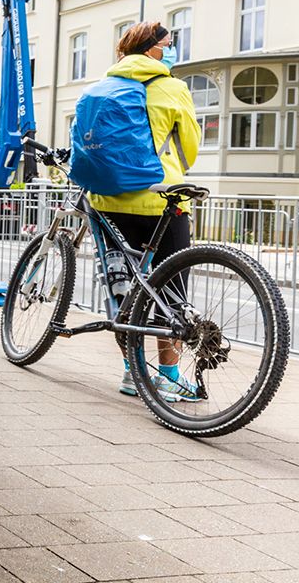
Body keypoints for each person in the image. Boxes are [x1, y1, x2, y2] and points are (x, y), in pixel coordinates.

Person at [87, 21, 200, 402]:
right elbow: (189, 151)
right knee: (171, 291)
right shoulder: (172, 87)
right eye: (167, 44)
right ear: (152, 50)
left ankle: (132, 373)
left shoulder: (100, 89)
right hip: (159, 199)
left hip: (107, 201)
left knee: (124, 289)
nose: (169, 50)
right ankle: (168, 375)